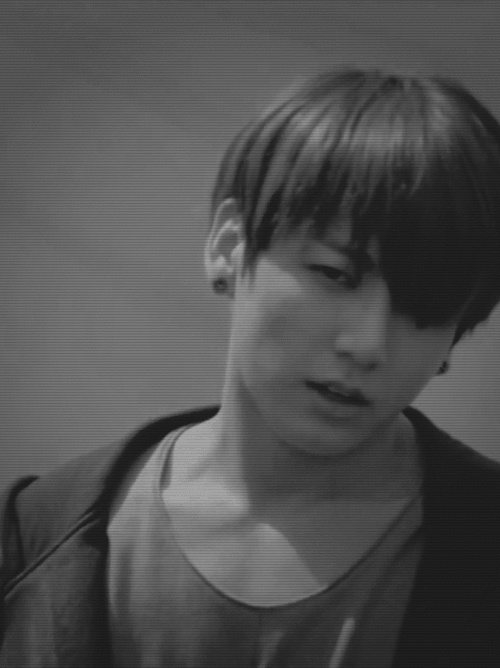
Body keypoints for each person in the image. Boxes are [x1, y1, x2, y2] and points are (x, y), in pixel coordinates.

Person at [1, 67, 500, 668]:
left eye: (426, 307)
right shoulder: (35, 537)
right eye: (334, 274)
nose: (368, 345)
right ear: (229, 246)